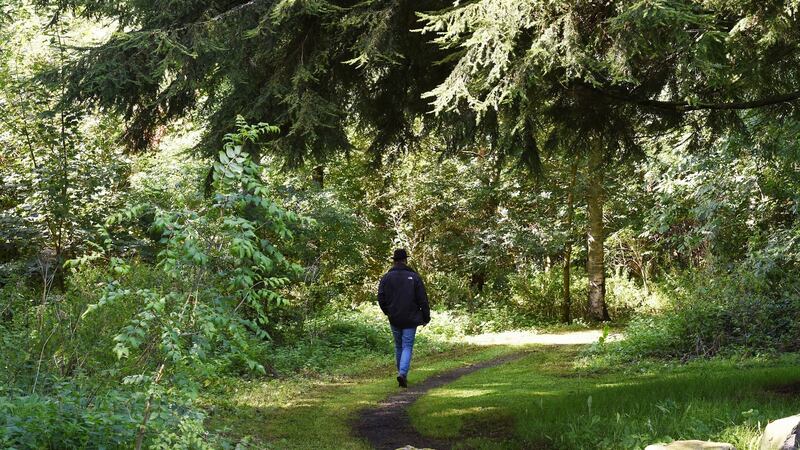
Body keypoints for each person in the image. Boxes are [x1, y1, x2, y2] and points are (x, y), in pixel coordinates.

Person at [377, 248, 431, 388]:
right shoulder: (414, 277)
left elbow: (381, 297)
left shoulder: (386, 277)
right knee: (407, 346)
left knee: (399, 346)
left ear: (394, 261)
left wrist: (387, 311)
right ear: (405, 260)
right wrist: (426, 317)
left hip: (394, 317)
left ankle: (401, 373)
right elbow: (422, 299)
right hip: (411, 318)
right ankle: (402, 374)